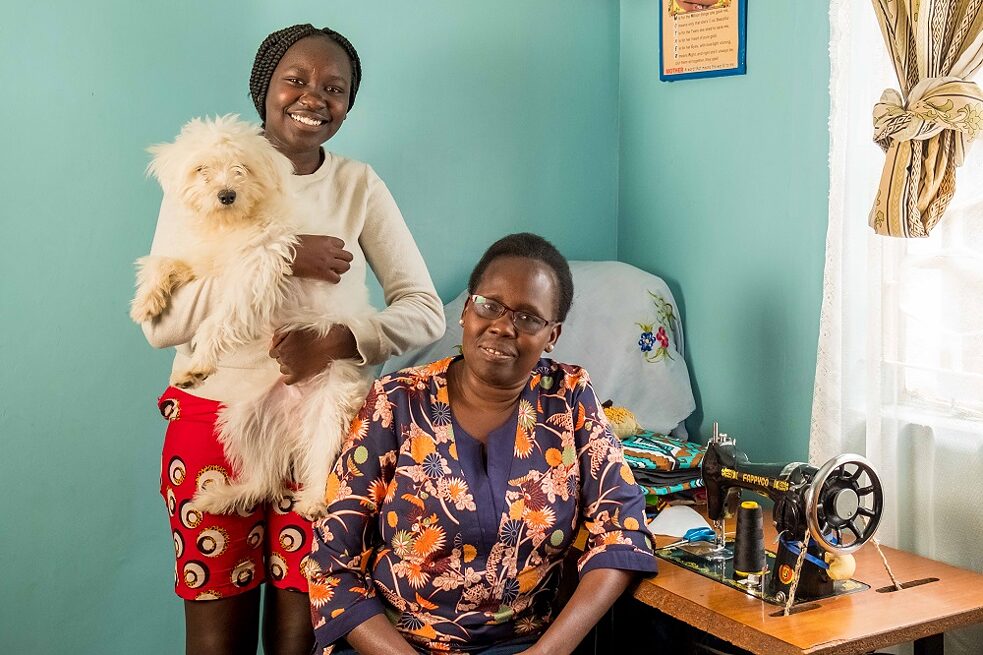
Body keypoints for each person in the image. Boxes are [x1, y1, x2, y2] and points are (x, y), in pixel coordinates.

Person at [138, 24, 444, 655]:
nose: (314, 98)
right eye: (296, 81)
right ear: (264, 89)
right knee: (215, 631)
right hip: (212, 425)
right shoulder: (205, 170)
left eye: (335, 88)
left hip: (320, 430)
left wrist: (335, 341)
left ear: (349, 105)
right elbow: (161, 326)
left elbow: (425, 312)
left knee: (302, 630)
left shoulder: (358, 185)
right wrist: (279, 258)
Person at [310, 233, 658, 655]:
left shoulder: (568, 398)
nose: (503, 326)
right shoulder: (396, 401)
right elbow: (333, 568)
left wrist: (547, 653)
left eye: (529, 317)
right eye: (489, 305)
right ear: (466, 312)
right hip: (393, 646)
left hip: (523, 646)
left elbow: (622, 533)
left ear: (553, 334)